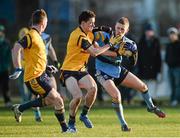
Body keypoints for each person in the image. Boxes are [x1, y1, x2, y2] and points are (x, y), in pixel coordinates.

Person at [93, 17, 166, 132]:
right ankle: (123, 124)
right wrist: (116, 51)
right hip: (102, 71)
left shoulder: (128, 42)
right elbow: (95, 49)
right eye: (118, 28)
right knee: (117, 95)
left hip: (117, 69)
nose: (119, 31)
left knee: (143, 87)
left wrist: (133, 53)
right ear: (114, 26)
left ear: (127, 30)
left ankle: (151, 107)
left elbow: (133, 63)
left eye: (122, 29)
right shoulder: (105, 34)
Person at [60, 10, 122, 133]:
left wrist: (111, 36)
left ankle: (84, 115)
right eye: (90, 23)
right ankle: (71, 124)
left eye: (94, 23)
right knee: (77, 96)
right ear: (82, 23)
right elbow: (94, 52)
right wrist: (110, 44)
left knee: (93, 89)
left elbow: (101, 31)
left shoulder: (89, 32)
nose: (93, 26)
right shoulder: (78, 36)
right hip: (68, 70)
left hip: (81, 70)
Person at [9, 9, 68, 133]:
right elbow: (16, 48)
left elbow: (35, 58)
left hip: (41, 75)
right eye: (46, 22)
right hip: (33, 78)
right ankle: (66, 130)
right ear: (43, 23)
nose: (46, 25)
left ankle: (20, 108)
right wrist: (18, 67)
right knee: (58, 100)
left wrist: (46, 67)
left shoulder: (38, 36)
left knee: (55, 100)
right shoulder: (31, 35)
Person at [137, 23, 162, 101]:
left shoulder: (156, 41)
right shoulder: (141, 41)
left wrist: (159, 70)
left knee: (152, 84)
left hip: (153, 68)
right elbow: (138, 56)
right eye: (147, 31)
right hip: (143, 67)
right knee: (143, 84)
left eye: (150, 31)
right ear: (145, 32)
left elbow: (158, 57)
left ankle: (152, 99)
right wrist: (138, 67)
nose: (149, 32)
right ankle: (144, 100)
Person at [165, 27, 180, 106]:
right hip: (170, 68)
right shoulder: (168, 45)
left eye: (173, 34)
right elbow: (166, 57)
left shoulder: (178, 45)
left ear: (177, 35)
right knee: (172, 85)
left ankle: (176, 100)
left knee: (178, 85)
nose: (172, 36)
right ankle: (173, 99)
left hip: (177, 68)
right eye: (170, 34)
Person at [0, 24, 12, 107]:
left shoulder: (6, 43)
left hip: (5, 68)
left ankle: (7, 101)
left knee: (6, 86)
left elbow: (9, 56)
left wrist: (8, 66)